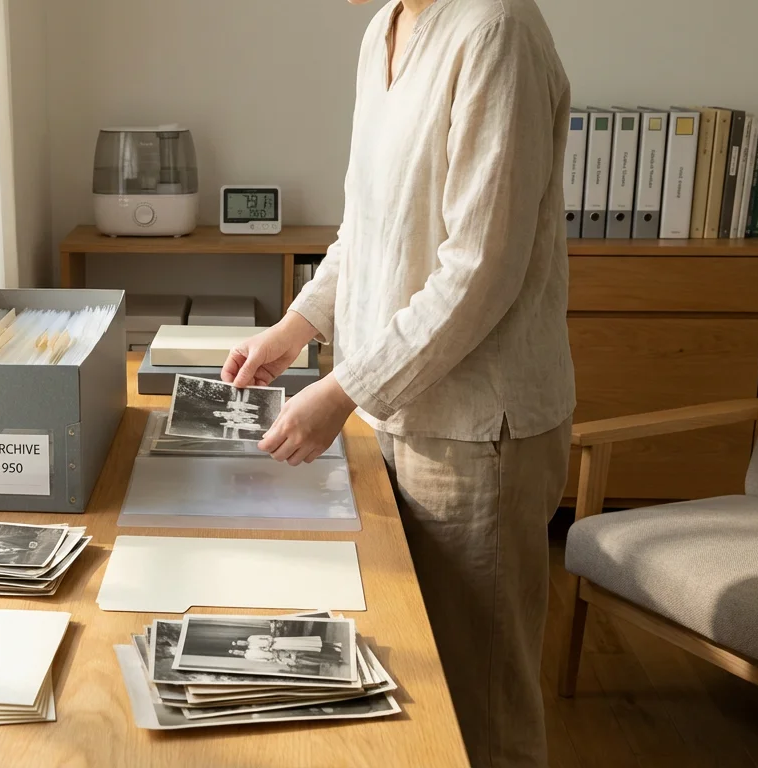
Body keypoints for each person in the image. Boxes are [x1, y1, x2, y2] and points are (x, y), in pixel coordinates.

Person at [222, 0, 574, 765]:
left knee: (482, 708)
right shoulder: (380, 31)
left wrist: (340, 391)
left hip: (476, 434)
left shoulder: (495, 29)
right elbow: (368, 227)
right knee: (413, 690)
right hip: (397, 415)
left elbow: (479, 269)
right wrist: (294, 330)